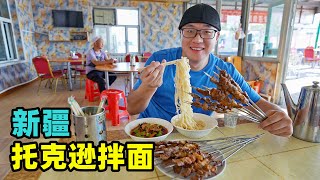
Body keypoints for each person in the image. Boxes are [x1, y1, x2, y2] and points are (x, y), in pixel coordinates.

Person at [127, 4, 293, 137]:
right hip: (154, 133)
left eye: (207, 32)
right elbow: (132, 108)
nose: (198, 39)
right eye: (190, 31)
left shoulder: (224, 72)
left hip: (195, 136)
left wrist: (280, 116)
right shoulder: (161, 61)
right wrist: (149, 86)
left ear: (217, 37)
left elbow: (256, 104)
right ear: (181, 35)